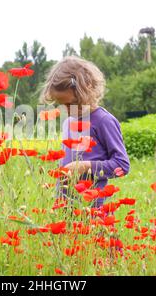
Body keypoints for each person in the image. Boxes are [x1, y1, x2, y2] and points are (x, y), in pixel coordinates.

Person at [40, 56, 130, 208]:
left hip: (93, 208)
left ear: (88, 89)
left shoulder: (104, 121)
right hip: (66, 206)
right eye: (62, 105)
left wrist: (85, 166)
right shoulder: (68, 122)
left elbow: (122, 165)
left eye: (72, 103)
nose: (68, 110)